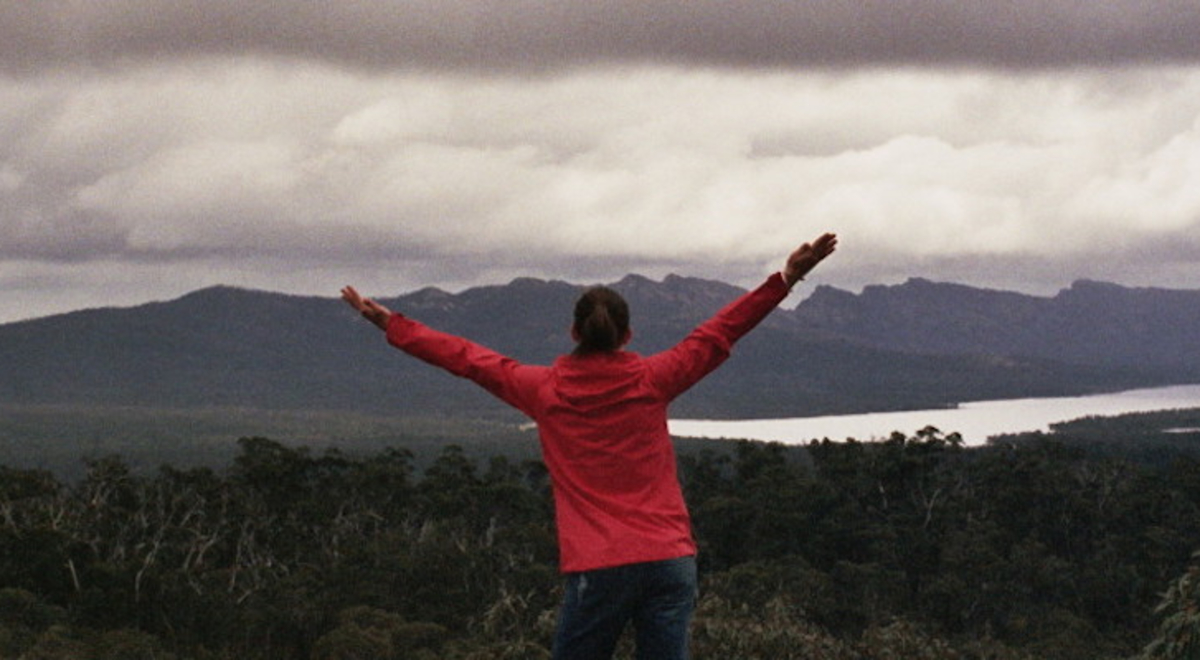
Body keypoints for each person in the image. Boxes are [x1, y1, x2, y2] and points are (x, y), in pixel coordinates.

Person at [341, 232, 838, 660]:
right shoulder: (653, 380)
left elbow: (468, 359)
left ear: (574, 332)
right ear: (628, 335)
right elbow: (719, 333)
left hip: (601, 565)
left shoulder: (542, 389)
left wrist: (391, 324)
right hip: (669, 559)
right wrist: (785, 279)